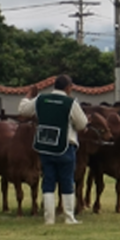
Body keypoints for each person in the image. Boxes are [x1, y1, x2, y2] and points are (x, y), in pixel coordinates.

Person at [18, 74, 88, 225]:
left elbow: (23, 110)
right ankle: (69, 217)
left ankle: (49, 218)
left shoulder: (41, 99)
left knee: (48, 181)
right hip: (65, 147)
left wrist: (28, 96)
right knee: (67, 181)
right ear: (68, 87)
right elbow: (82, 123)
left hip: (45, 146)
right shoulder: (71, 103)